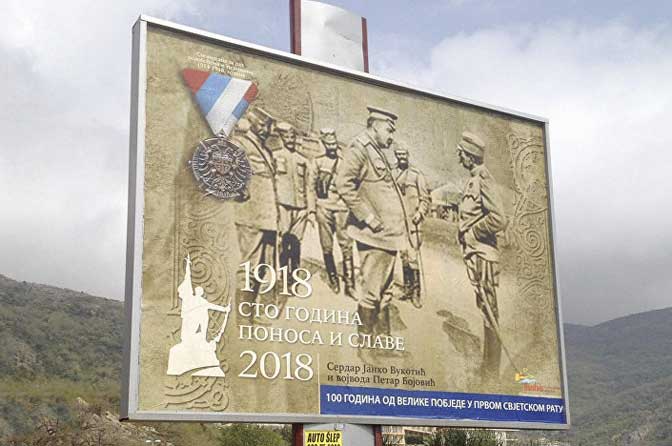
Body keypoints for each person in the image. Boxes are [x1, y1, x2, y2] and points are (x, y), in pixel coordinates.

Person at [335, 106, 406, 362]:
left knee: (385, 292)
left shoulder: (378, 151)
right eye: (389, 130)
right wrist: (368, 218)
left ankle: (382, 343)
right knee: (372, 292)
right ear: (375, 125)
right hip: (374, 235)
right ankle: (364, 348)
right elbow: (343, 184)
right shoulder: (359, 148)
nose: (391, 136)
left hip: (389, 237)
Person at [455, 131, 507, 382]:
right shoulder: (473, 180)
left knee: (489, 311)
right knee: (485, 308)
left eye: (461, 154)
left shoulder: (484, 180)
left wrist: (473, 232)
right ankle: (489, 368)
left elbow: (499, 218)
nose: (459, 158)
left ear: (470, 156)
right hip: (476, 254)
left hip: (484, 256)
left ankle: (491, 373)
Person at [232, 107, 277, 325]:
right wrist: (239, 188)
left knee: (261, 266)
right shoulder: (241, 143)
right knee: (249, 266)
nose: (267, 130)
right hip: (251, 215)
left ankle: (249, 313)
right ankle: (243, 319)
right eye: (263, 125)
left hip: (267, 219)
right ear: (252, 123)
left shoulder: (264, 148)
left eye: (268, 126)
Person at [312, 128, 355, 297]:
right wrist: (313, 208)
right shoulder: (318, 162)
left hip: (342, 207)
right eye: (328, 144)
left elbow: (352, 183)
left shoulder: (344, 162)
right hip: (323, 206)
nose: (332, 147)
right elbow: (311, 185)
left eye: (334, 144)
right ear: (324, 144)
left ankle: (350, 284)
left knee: (346, 244)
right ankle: (333, 278)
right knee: (326, 244)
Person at [274, 122, 316, 282]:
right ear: (281, 138)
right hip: (283, 205)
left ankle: (294, 274)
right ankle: (284, 274)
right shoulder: (275, 156)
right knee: (284, 240)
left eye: (292, 137)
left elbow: (309, 187)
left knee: (297, 242)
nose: (290, 140)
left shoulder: (303, 160)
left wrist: (311, 211)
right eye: (286, 137)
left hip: (301, 207)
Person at [394, 148, 430, 308]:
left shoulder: (416, 175)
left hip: (413, 222)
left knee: (413, 256)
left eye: (403, 154)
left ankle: (416, 293)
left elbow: (425, 199)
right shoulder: (392, 173)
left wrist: (420, 213)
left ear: (408, 155)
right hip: (398, 222)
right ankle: (407, 289)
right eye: (398, 154)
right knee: (403, 256)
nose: (401, 157)